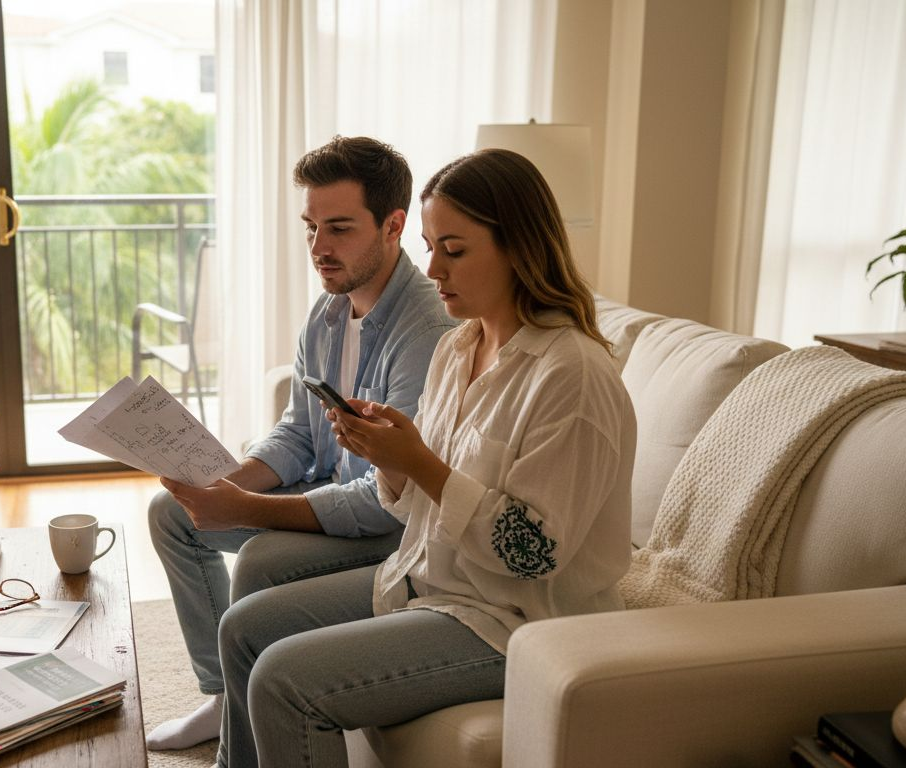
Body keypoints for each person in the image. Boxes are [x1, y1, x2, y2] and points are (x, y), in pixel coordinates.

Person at [212, 148, 637, 767]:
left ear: (519, 248)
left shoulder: (571, 377)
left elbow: (532, 554)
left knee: (284, 679)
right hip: (427, 582)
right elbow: (413, 504)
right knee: (244, 629)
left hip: (515, 622)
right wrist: (388, 455)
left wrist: (421, 463)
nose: (432, 269)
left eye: (454, 250)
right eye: (431, 246)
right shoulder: (458, 348)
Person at [146, 136, 458, 750]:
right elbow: (297, 433)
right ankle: (223, 695)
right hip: (334, 490)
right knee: (172, 513)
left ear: (393, 226)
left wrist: (245, 509)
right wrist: (225, 482)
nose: (318, 248)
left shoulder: (426, 329)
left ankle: (241, 723)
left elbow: (384, 501)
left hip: (388, 525)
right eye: (311, 228)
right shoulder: (327, 313)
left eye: (338, 229)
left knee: (260, 558)